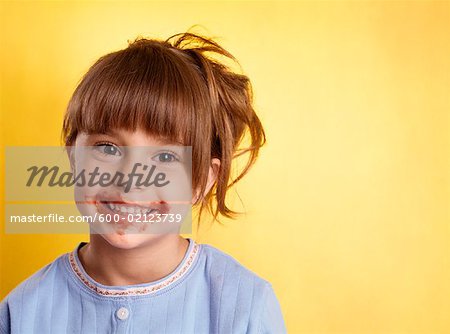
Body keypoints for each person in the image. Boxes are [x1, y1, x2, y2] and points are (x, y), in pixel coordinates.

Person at [0, 31, 287, 333]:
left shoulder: (247, 306)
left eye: (165, 157)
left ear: (202, 180)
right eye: (107, 147)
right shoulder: (21, 312)